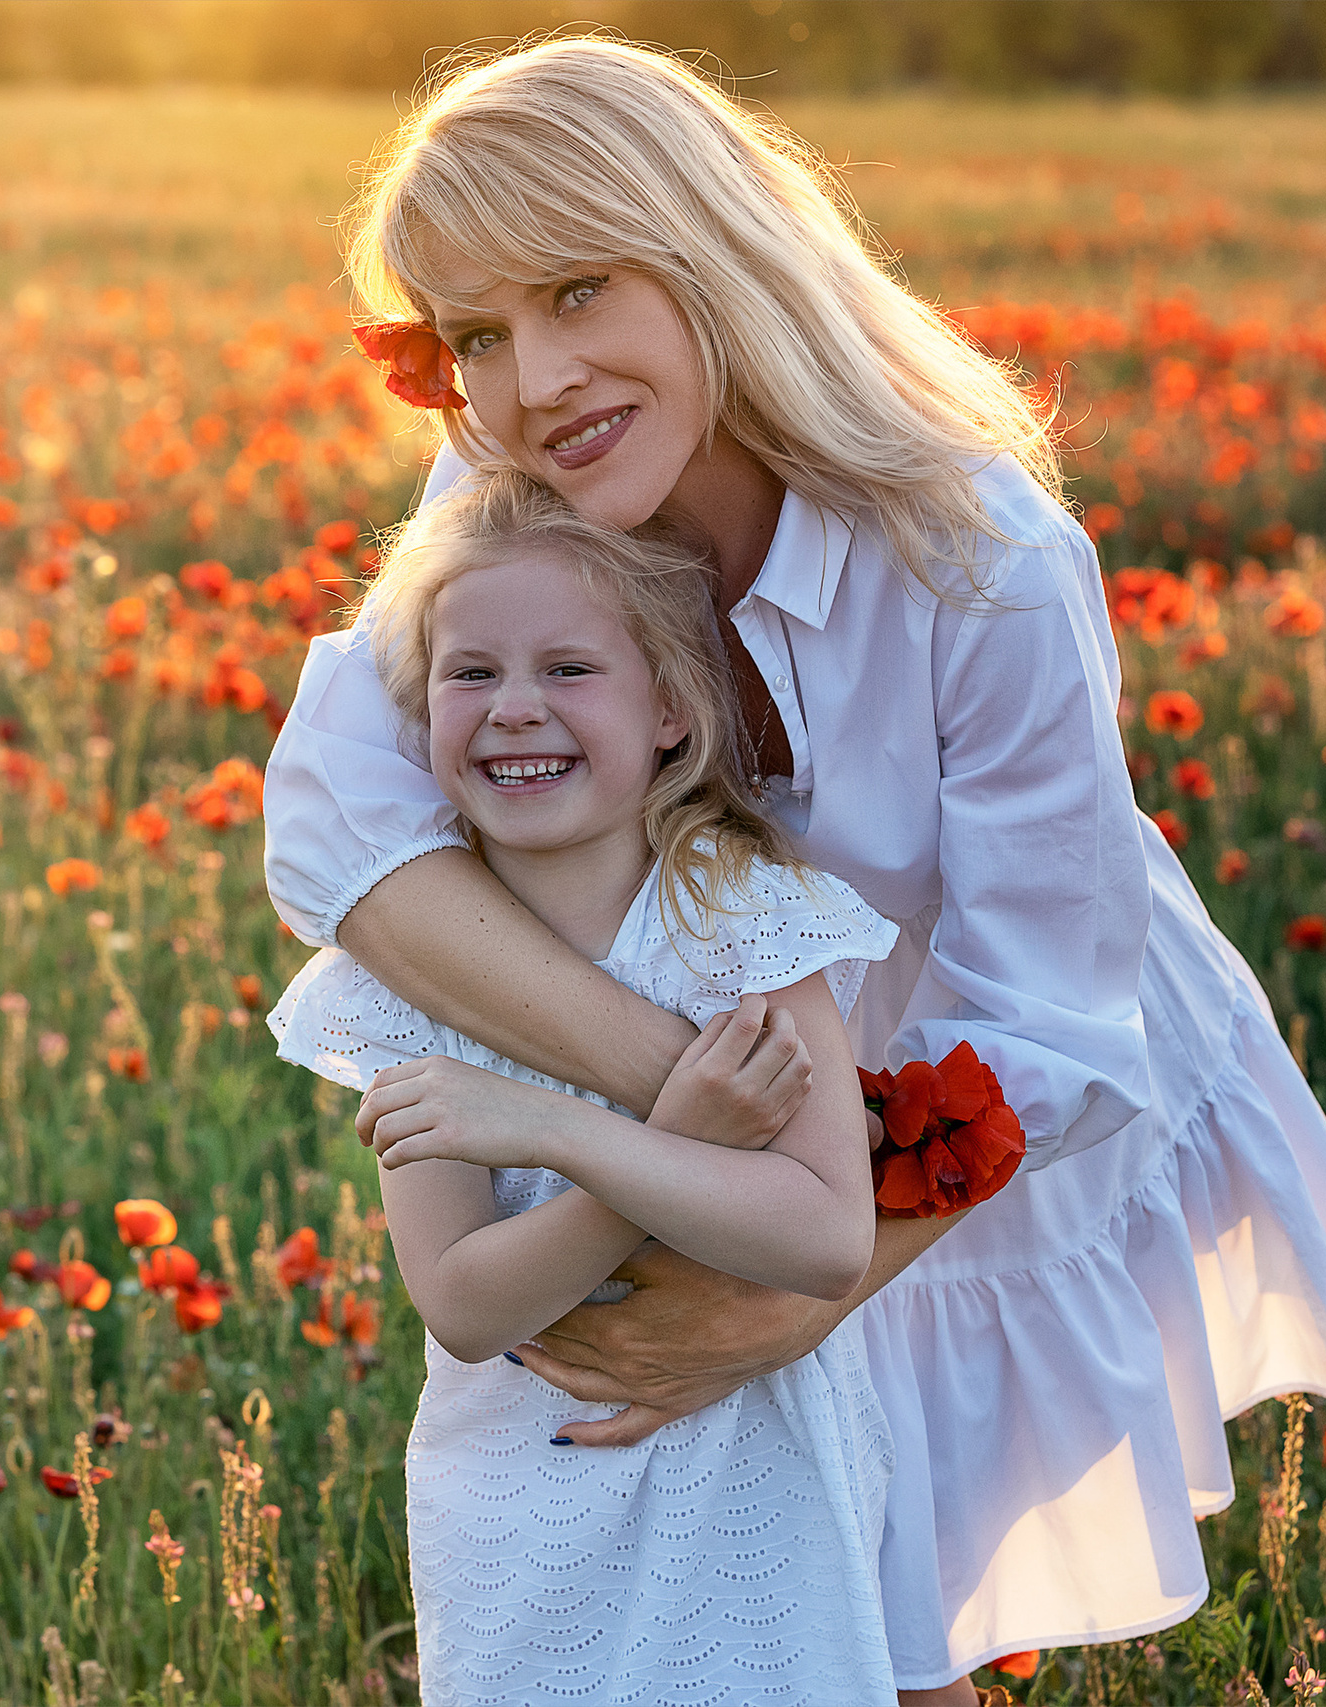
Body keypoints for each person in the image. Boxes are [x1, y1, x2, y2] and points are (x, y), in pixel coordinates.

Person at [262, 36, 1326, 1703]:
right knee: (738, 1605)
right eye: (477, 336)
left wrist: (800, 1279)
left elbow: (1048, 1019)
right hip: (733, 1102)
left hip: (970, 1097)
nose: (535, 379)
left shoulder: (981, 554)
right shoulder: (521, 488)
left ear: (711, 249)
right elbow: (336, 817)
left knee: (897, 1619)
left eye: (578, 289)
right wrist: (690, 1112)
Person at [273, 467, 905, 1705]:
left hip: (750, 1488)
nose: (514, 709)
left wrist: (557, 1129)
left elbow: (827, 1236)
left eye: (568, 670)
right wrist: (669, 1144)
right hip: (526, 1501)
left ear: (669, 708)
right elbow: (464, 1304)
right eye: (470, 674)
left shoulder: (745, 925)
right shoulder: (412, 972)